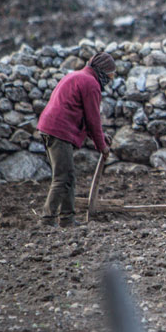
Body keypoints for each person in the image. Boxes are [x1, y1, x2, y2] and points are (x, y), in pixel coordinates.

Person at [37, 52, 114, 227]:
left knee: (68, 176)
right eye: (110, 75)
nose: (110, 80)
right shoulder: (91, 84)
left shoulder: (77, 76)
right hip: (58, 130)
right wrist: (101, 146)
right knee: (62, 177)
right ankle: (47, 220)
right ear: (102, 72)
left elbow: (80, 114)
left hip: (51, 127)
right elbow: (92, 119)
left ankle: (67, 218)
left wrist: (100, 136)